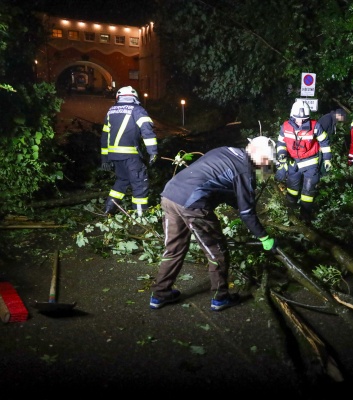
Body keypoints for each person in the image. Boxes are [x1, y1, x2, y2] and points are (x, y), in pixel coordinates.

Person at [149, 136, 279, 311]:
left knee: (173, 248)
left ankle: (160, 294)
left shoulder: (226, 150)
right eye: (266, 161)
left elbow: (217, 185)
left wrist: (242, 202)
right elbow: (247, 213)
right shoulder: (244, 171)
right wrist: (264, 237)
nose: (265, 165)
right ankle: (221, 298)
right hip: (192, 204)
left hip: (170, 194)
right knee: (217, 251)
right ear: (260, 155)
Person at [100, 85, 157, 217]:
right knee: (140, 184)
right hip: (131, 156)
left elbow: (105, 136)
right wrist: (153, 152)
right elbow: (147, 131)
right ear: (135, 97)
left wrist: (105, 158)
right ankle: (140, 218)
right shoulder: (138, 110)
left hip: (115, 156)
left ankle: (108, 210)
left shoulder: (111, 111)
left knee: (122, 181)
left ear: (118, 97)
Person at [275, 100, 332, 220]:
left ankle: (305, 215)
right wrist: (282, 157)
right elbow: (281, 143)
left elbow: (324, 142)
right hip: (293, 162)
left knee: (308, 190)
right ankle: (290, 209)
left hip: (310, 163)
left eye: (304, 119)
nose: (300, 121)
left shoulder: (315, 126)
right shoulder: (285, 127)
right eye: (297, 118)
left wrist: (327, 159)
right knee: (292, 187)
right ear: (292, 116)